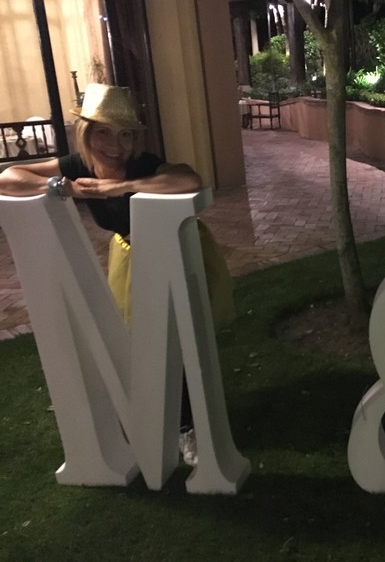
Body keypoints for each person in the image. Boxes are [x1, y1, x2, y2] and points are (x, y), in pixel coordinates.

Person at [0, 82, 235, 464]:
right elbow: (9, 177)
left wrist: (122, 187)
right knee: (145, 341)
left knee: (176, 339)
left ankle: (187, 427)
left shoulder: (141, 164)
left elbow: (188, 179)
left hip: (175, 252)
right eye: (104, 133)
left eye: (125, 134)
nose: (115, 145)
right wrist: (63, 187)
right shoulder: (77, 165)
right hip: (130, 256)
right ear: (86, 133)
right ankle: (164, 416)